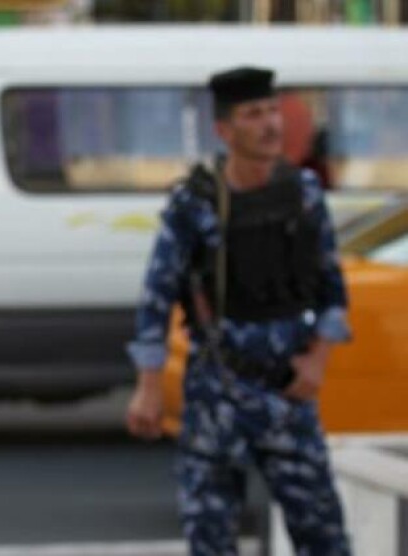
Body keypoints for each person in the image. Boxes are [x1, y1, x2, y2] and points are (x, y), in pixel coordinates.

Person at [125, 66, 351, 556]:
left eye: (273, 111)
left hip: (287, 394)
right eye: (253, 115)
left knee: (325, 539)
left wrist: (318, 360)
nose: (270, 125)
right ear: (225, 130)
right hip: (218, 393)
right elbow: (157, 296)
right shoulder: (195, 203)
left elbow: (333, 290)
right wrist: (148, 387)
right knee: (210, 540)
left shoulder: (304, 194)